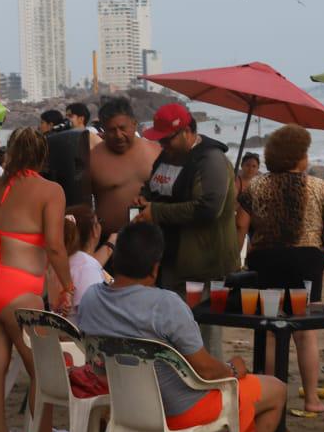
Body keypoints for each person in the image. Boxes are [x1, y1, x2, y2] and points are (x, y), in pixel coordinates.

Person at [76, 222, 285, 432]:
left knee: (166, 381)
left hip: (127, 405)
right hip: (179, 410)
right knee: (276, 389)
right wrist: (234, 370)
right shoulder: (165, 304)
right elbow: (206, 371)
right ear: (154, 268)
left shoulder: (91, 299)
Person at [0, 127, 74, 432]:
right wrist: (68, 285)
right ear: (43, 156)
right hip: (17, 288)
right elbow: (56, 247)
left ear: (11, 151)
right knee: (42, 370)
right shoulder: (50, 190)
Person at [236, 125, 324, 413]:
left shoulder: (257, 186)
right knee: (304, 331)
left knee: (272, 330)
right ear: (298, 157)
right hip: (305, 260)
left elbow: (240, 225)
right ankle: (311, 398)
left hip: (266, 260)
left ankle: (268, 397)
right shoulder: (316, 187)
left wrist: (237, 256)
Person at [135, 103, 238, 359]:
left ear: (187, 132)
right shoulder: (167, 156)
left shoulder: (211, 160)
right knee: (173, 331)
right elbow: (153, 187)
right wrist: (144, 199)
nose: (163, 145)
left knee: (201, 335)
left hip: (203, 264)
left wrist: (156, 212)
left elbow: (208, 209)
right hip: (171, 261)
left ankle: (209, 387)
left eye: (168, 139)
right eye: (160, 141)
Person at [89, 97, 161, 238]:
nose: (118, 135)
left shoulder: (155, 152)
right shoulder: (92, 159)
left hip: (153, 239)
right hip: (109, 242)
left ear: (134, 124)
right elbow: (81, 204)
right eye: (111, 130)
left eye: (123, 128)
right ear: (103, 129)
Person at [46, 205, 114, 321]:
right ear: (95, 230)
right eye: (99, 222)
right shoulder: (86, 266)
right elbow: (95, 315)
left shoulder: (58, 263)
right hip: (82, 336)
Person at [40, 110, 91, 207]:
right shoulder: (71, 139)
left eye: (42, 122)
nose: (39, 126)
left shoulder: (47, 142)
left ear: (50, 125)